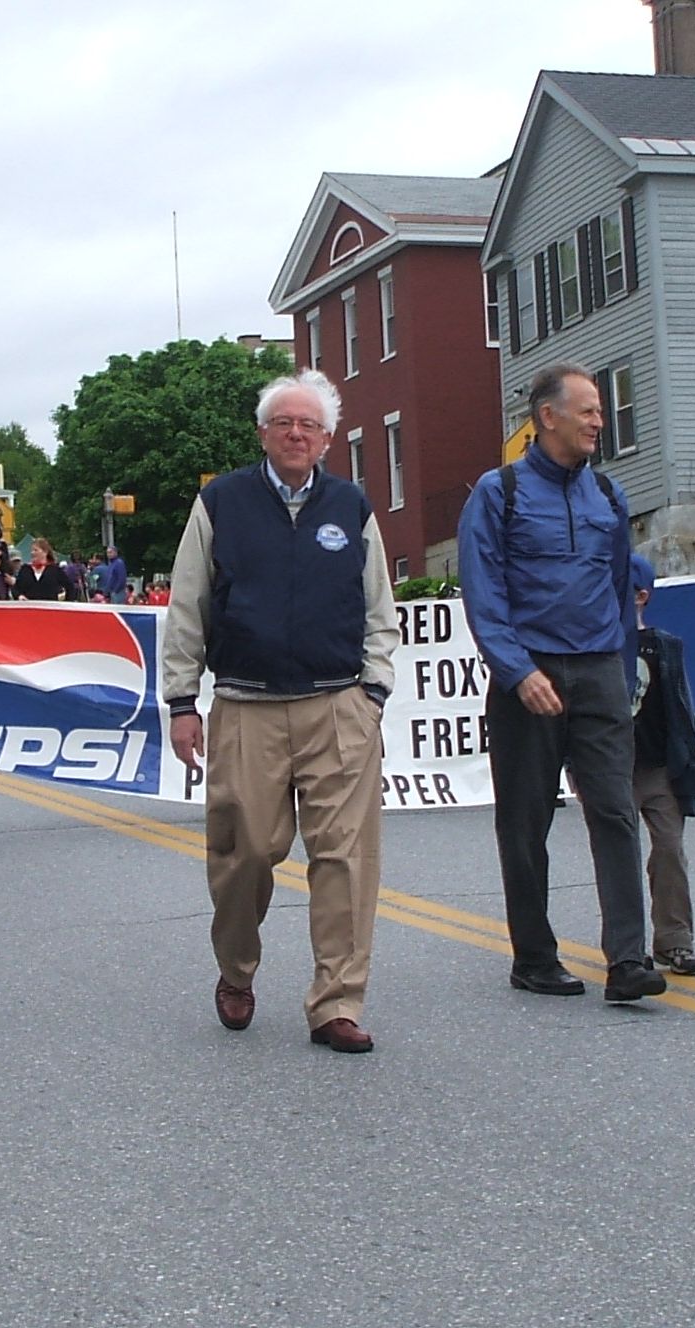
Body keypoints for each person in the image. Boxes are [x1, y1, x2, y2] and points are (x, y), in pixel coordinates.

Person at [163, 368, 398, 1054]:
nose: (296, 434)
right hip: (245, 708)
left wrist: (372, 692)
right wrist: (183, 702)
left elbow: (380, 610)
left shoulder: (350, 506)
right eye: (283, 423)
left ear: (326, 440)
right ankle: (236, 969)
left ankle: (336, 1002)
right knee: (245, 854)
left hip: (337, 708)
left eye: (310, 425)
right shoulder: (220, 503)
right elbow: (187, 609)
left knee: (345, 860)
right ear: (263, 433)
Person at [457, 363, 666, 1005]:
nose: (600, 421)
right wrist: (518, 672)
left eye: (601, 411)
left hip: (602, 669)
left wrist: (627, 661)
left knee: (614, 810)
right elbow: (483, 590)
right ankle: (534, 957)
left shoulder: (608, 494)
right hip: (532, 675)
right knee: (525, 822)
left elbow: (618, 578)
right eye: (589, 410)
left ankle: (629, 960)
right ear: (548, 417)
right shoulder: (500, 493)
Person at [629, 555, 695, 975]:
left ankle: (674, 940)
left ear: (642, 596)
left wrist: (689, 770)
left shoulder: (663, 646)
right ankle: (627, 947)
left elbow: (681, 708)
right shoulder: (596, 646)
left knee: (669, 850)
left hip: (659, 766)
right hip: (616, 767)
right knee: (620, 856)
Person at [12, 537, 71, 602]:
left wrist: (65, 605)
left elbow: (70, 587)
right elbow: (15, 588)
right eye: (32, 550)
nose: (32, 553)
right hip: (29, 609)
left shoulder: (55, 570)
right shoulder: (25, 569)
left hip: (49, 609)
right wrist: (19, 596)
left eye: (35, 550)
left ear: (45, 552)